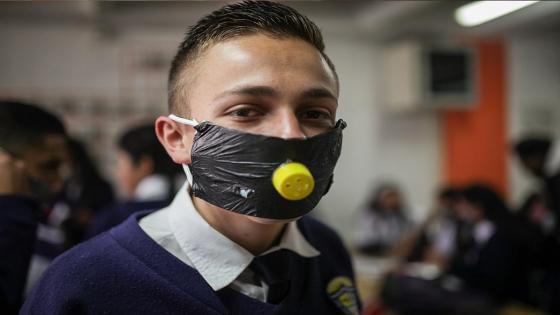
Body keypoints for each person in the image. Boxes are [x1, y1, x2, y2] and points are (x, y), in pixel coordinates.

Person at [22, 1, 361, 314]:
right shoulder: (87, 281)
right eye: (245, 110)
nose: (291, 134)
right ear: (176, 139)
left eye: (315, 113)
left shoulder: (325, 248)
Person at [0, 101, 68, 314]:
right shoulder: (13, 219)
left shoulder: (32, 221)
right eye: (48, 166)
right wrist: (11, 208)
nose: (58, 183)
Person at [86, 124, 180, 238]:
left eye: (119, 164)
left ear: (143, 165)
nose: (117, 173)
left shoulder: (115, 218)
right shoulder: (191, 212)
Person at [353, 183, 412, 256]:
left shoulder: (397, 215)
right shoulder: (369, 213)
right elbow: (367, 236)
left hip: (391, 247)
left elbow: (403, 232)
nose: (392, 200)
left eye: (394, 197)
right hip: (371, 246)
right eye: (389, 197)